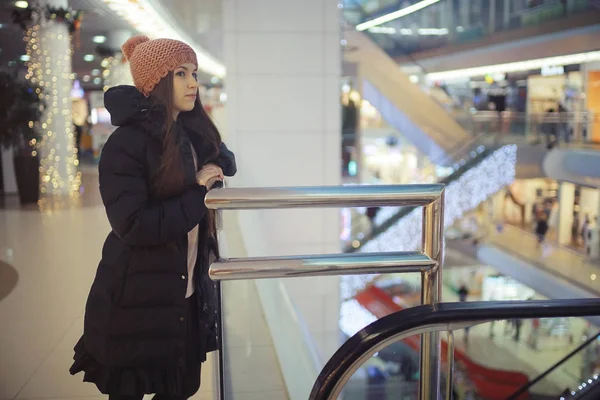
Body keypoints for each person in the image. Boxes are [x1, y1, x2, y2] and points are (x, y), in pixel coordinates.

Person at [69, 35, 237, 399]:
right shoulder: (126, 144)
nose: (193, 83)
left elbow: (226, 157)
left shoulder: (190, 132)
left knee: (182, 388)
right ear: (157, 81)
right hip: (137, 298)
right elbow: (134, 224)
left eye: (194, 73)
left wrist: (214, 165)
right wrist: (198, 192)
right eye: (181, 73)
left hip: (186, 294)